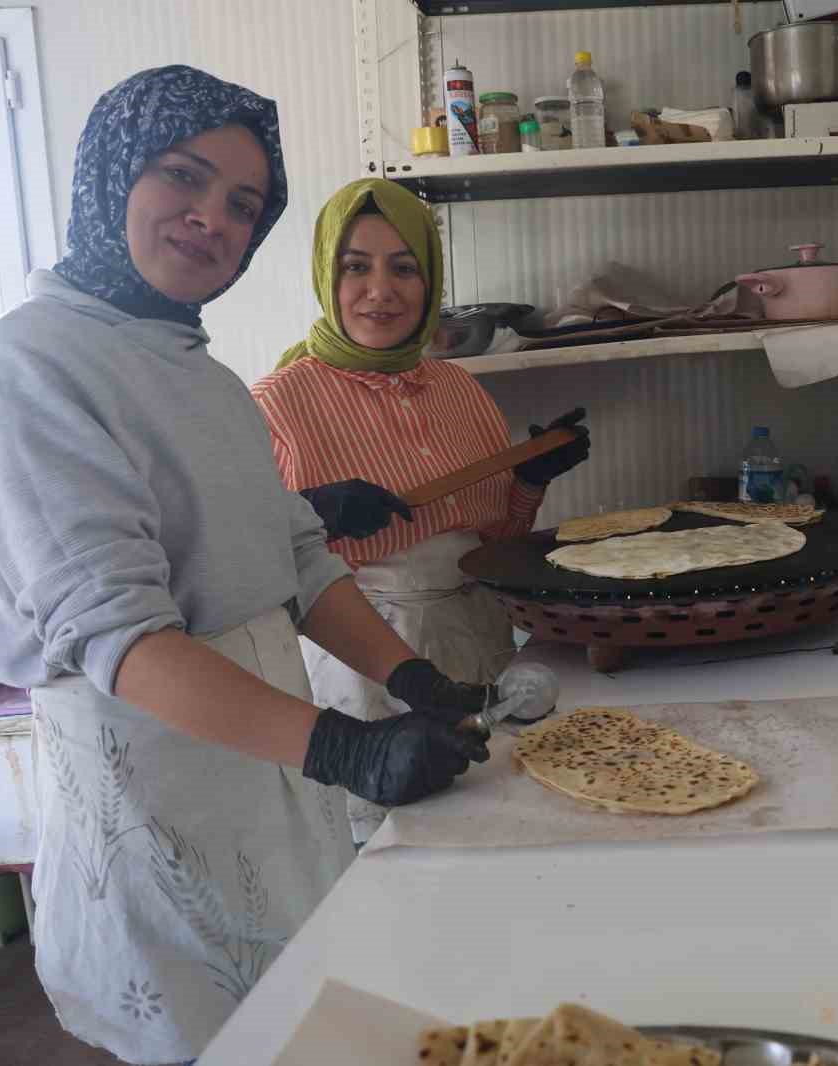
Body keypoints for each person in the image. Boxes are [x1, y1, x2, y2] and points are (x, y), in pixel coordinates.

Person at [0, 67, 501, 1065]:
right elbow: (121, 637)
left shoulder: (200, 372)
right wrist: (347, 748)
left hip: (267, 766)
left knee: (307, 1023)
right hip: (157, 780)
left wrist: (409, 677)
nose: (212, 219)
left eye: (243, 205)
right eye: (182, 178)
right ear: (110, 176)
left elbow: (299, 559)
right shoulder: (27, 366)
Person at [251, 178, 590, 842]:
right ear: (327, 273)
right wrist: (306, 515)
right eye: (357, 266)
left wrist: (529, 481)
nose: (381, 289)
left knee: (502, 824)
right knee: (392, 852)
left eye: (404, 267)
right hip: (364, 662)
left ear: (430, 281)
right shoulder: (276, 404)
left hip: (479, 640)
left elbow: (500, 539)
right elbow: (253, 577)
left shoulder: (460, 390)